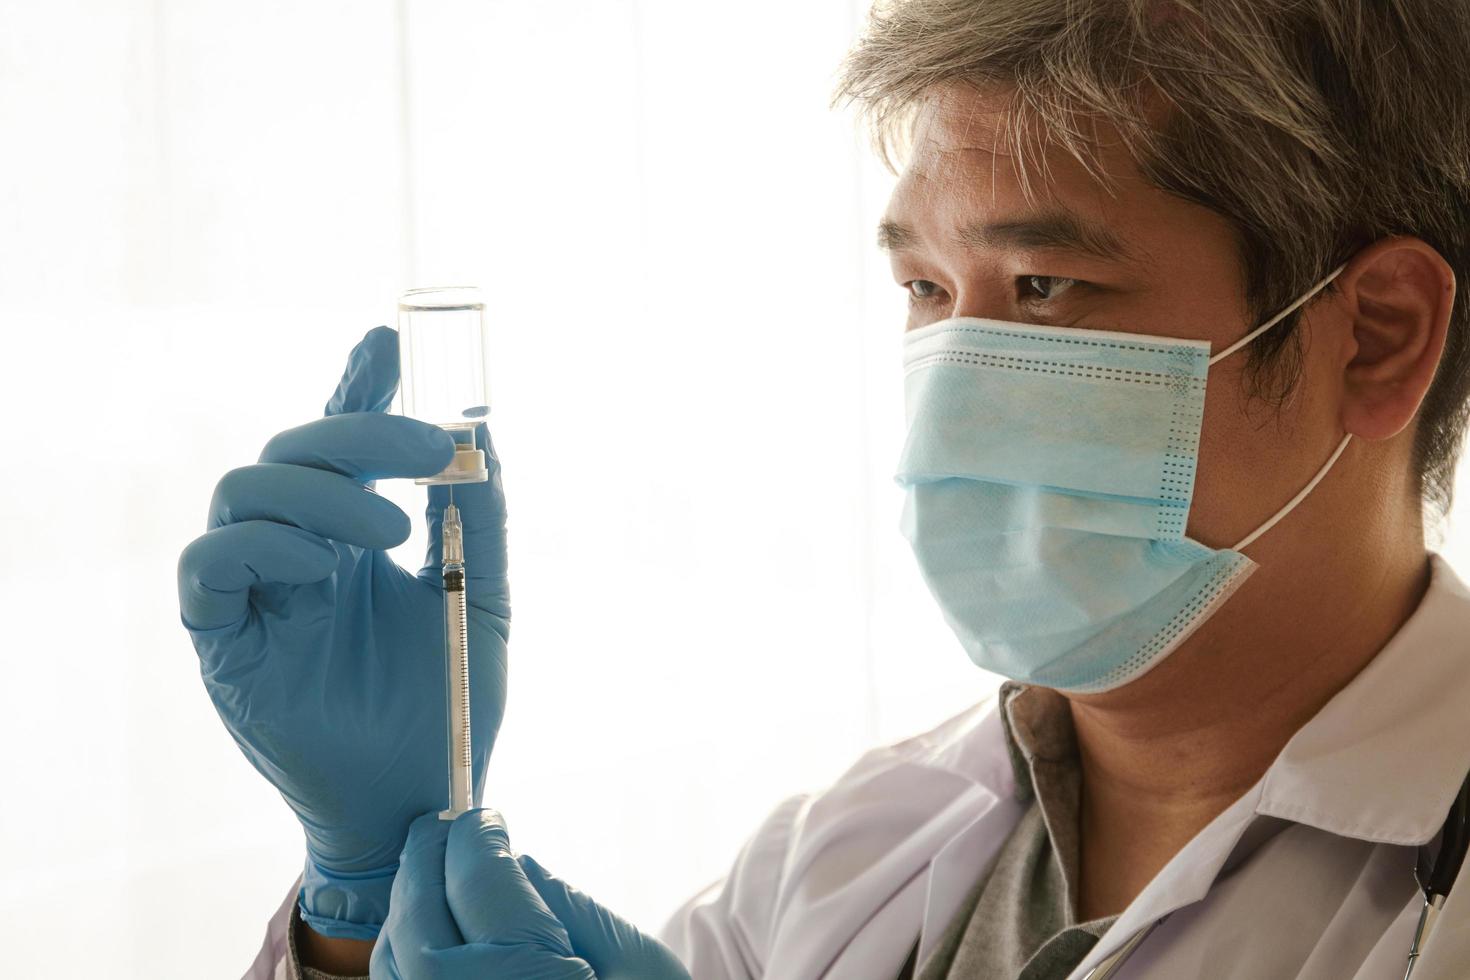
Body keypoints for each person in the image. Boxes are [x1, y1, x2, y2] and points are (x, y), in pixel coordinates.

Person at [178, 1, 1470, 977]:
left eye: (1044, 290)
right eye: (922, 289)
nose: (952, 386)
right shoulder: (846, 853)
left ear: (1374, 337)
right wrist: (368, 897)